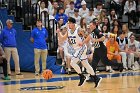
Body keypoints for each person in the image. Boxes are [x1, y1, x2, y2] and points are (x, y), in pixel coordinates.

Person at [67, 17, 102, 87]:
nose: (68, 24)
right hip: (76, 49)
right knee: (86, 65)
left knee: (72, 63)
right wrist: (70, 43)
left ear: (73, 24)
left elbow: (87, 36)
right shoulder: (69, 31)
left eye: (69, 23)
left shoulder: (79, 29)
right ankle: (96, 78)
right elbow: (70, 40)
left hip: (82, 48)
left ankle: (81, 76)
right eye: (68, 23)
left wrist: (83, 42)